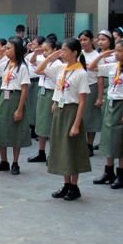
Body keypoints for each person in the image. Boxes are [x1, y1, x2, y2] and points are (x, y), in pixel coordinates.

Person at [36, 38, 91, 201]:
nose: (62, 53)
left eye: (65, 51)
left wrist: (76, 124)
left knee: (72, 149)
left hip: (72, 112)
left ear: (75, 53)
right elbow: (39, 70)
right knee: (61, 148)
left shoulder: (81, 73)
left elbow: (82, 102)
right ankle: (66, 184)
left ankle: (74, 186)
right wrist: (51, 57)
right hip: (59, 110)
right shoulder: (61, 67)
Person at [89, 38, 123, 189]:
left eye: (120, 51)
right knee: (109, 139)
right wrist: (104, 54)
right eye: (115, 50)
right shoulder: (112, 66)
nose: (117, 54)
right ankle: (108, 171)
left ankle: (120, 174)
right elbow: (92, 67)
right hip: (109, 104)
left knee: (121, 141)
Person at [0, 36, 32, 175]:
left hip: (15, 97)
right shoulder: (6, 64)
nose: (5, 50)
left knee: (15, 131)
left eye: (8, 48)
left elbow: (25, 89)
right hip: (4, 97)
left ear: (17, 50)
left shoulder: (22, 67)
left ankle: (15, 162)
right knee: (1, 128)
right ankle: (3, 161)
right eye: (5, 48)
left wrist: (19, 109)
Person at [28, 37, 61, 163]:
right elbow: (32, 61)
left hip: (51, 93)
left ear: (55, 50)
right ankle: (41, 152)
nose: (44, 52)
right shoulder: (46, 61)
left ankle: (53, 154)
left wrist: (48, 58)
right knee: (41, 123)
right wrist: (37, 53)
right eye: (44, 50)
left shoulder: (57, 64)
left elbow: (38, 70)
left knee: (50, 125)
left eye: (47, 50)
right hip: (42, 92)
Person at [78, 30, 102, 156]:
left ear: (92, 40)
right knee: (80, 117)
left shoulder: (96, 56)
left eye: (85, 39)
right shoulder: (78, 54)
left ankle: (90, 144)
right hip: (78, 88)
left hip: (92, 87)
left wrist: (99, 96)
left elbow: (100, 77)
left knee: (91, 118)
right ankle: (80, 144)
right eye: (81, 40)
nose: (83, 42)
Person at [25, 36, 45, 139]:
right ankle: (31, 125)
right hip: (29, 82)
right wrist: (28, 49)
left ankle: (35, 128)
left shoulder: (44, 56)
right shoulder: (29, 55)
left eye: (34, 43)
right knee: (30, 105)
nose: (32, 45)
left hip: (38, 81)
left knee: (36, 105)